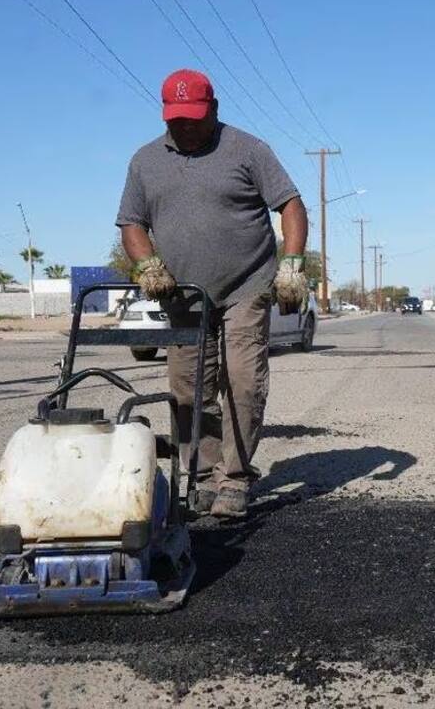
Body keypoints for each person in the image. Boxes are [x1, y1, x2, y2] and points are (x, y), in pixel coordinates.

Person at [115, 69, 309, 517]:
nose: (184, 126)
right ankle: (202, 476)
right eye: (175, 118)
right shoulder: (145, 161)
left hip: (247, 284)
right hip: (184, 294)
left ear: (214, 110)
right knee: (188, 391)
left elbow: (291, 205)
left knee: (242, 382)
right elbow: (131, 223)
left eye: (194, 117)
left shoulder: (248, 149)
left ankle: (236, 479)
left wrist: (293, 265)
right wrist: (147, 264)